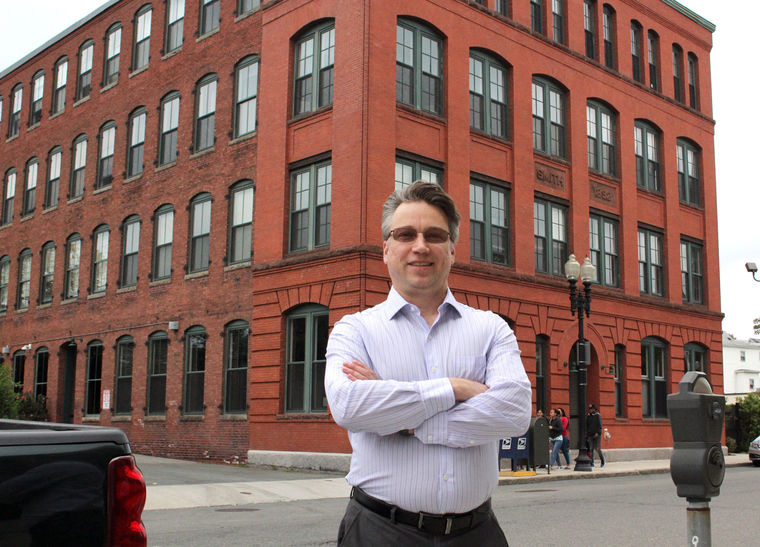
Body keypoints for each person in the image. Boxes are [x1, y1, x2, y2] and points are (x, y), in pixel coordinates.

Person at [325, 181, 533, 546]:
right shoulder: (354, 330)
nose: (420, 246)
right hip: (379, 531)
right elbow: (349, 406)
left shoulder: (490, 329)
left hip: (477, 534)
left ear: (452, 249)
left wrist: (402, 421)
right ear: (386, 250)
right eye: (405, 234)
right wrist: (456, 388)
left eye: (434, 235)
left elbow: (513, 412)